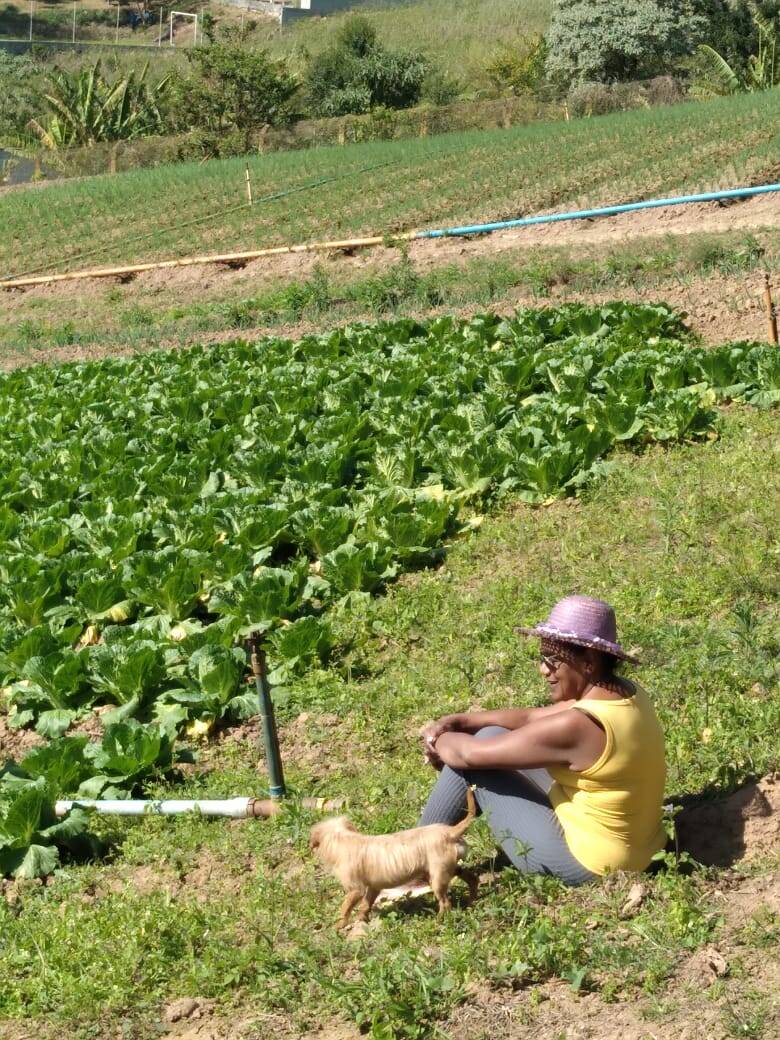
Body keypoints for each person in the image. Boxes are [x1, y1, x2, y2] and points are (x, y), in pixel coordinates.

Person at [417, 595, 667, 886]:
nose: (543, 669)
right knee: (490, 735)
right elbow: (532, 719)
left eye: (553, 660)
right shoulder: (624, 694)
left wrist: (437, 739)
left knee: (474, 762)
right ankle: (422, 855)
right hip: (643, 851)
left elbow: (469, 757)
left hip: (589, 864)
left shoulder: (578, 725)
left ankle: (416, 865)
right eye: (542, 659)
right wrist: (464, 721)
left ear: (588, 662)